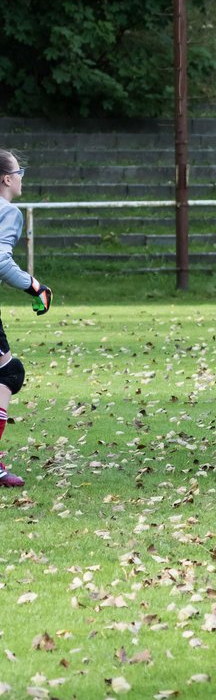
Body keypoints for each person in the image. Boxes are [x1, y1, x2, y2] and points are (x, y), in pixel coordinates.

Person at [0, 150, 52, 488]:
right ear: (6, 178)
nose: (22, 177)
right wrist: (36, 287)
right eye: (20, 171)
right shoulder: (8, 212)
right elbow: (1, 262)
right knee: (8, 372)